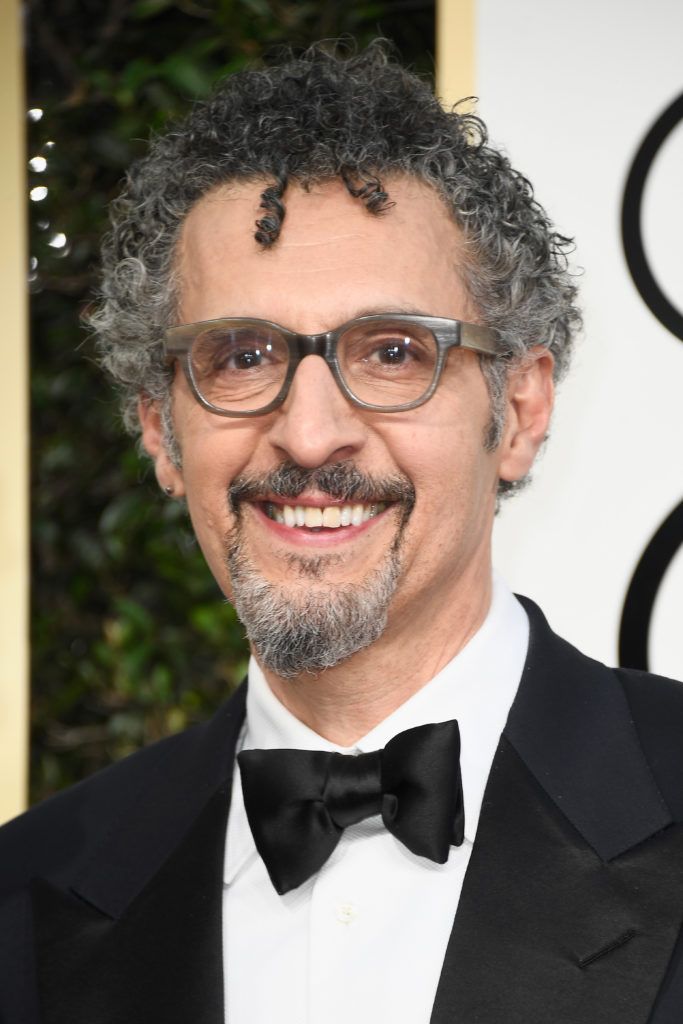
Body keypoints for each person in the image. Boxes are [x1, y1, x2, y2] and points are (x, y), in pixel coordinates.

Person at [2, 41, 683, 1024]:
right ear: (159, 427)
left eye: (393, 351)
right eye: (240, 356)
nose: (309, 431)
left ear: (519, 410)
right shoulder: (22, 905)